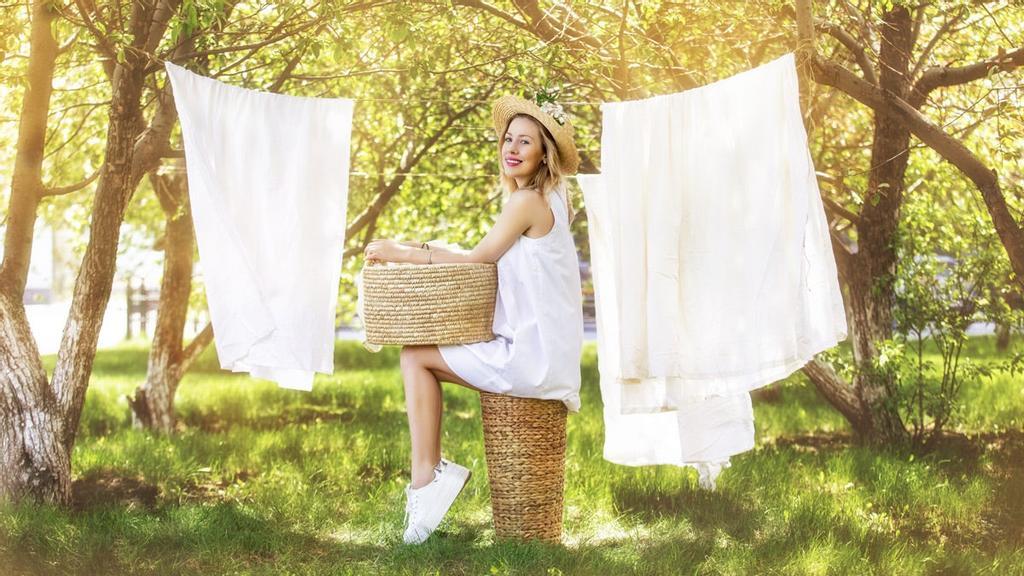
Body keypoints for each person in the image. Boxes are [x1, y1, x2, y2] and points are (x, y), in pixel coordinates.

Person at [363, 93, 584, 544]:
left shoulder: (527, 202)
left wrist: (402, 251)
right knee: (420, 354)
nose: (513, 148)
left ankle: (428, 479)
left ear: (545, 153)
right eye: (508, 139)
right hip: (545, 354)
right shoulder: (554, 199)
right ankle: (431, 476)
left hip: (531, 359)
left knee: (415, 357)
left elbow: (476, 262)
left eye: (526, 141)